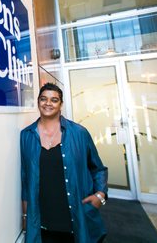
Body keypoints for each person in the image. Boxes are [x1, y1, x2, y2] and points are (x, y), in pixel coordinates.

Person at [20, 83, 108, 243]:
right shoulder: (26, 135)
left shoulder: (79, 133)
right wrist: (25, 215)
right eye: (43, 99)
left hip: (76, 218)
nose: (48, 103)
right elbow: (25, 179)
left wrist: (100, 195)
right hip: (41, 221)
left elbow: (98, 169)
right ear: (38, 102)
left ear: (61, 104)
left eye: (54, 100)